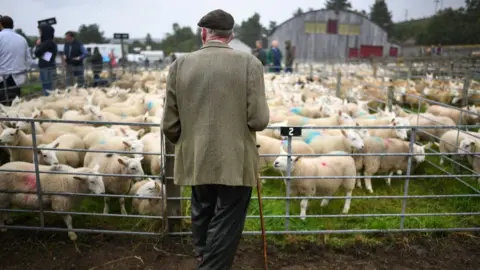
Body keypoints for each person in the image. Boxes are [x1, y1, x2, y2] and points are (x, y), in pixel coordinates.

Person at [162, 9, 269, 270]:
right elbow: (258, 120)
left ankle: (202, 255)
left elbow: (170, 124)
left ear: (203, 33)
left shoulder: (180, 65)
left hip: (197, 157)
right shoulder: (249, 64)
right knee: (227, 219)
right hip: (235, 159)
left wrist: (189, 143)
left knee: (202, 209)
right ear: (231, 36)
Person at [0, 16, 33, 105]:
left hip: (2, 78)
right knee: (15, 105)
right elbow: (29, 60)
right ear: (13, 25)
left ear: (1, 25)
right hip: (18, 78)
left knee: (2, 108)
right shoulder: (22, 39)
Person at [34, 24, 57, 96]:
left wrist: (38, 45)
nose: (40, 33)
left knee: (47, 89)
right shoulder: (51, 42)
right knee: (49, 88)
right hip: (49, 66)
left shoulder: (48, 42)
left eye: (40, 31)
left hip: (46, 68)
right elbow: (45, 56)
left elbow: (37, 53)